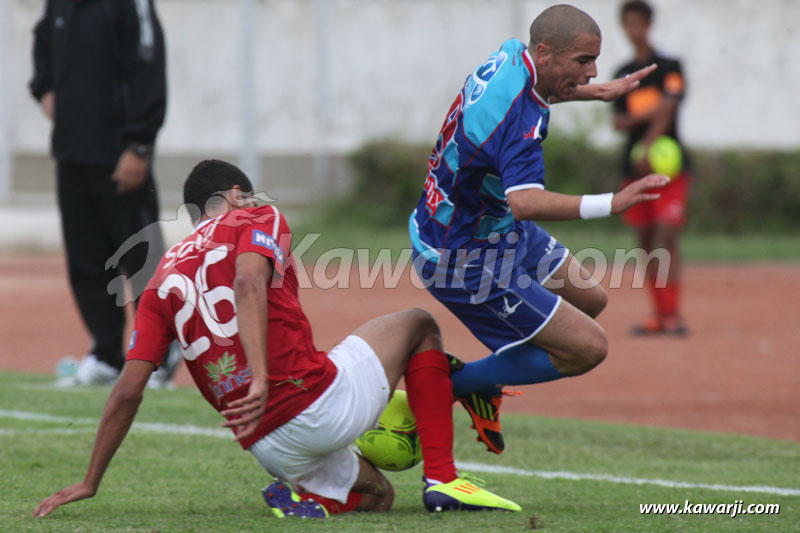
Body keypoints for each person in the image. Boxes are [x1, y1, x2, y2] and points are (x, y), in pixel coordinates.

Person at [32, 160, 521, 520]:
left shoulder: (162, 274)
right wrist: (262, 376)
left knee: (379, 499)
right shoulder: (255, 215)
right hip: (313, 404)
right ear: (237, 193)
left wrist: (90, 481)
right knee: (418, 323)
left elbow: (129, 387)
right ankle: (442, 478)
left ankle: (314, 502)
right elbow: (246, 283)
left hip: (267, 445)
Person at [409, 4, 669, 454]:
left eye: (594, 61)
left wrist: (597, 92)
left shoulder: (512, 55)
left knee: (591, 299)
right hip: (463, 254)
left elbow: (531, 91)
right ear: (546, 52)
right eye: (583, 61)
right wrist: (612, 202)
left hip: (492, 225)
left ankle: (482, 378)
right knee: (587, 347)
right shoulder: (521, 121)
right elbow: (526, 202)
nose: (591, 71)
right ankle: (465, 383)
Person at [29, 0, 178, 386]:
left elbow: (149, 66)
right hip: (72, 152)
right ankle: (107, 354)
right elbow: (43, 43)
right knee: (88, 260)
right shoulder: (59, 4)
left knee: (141, 258)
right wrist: (44, 88)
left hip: (121, 154)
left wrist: (139, 145)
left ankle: (161, 352)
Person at [612, 0, 690, 336]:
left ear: (648, 24)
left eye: (638, 23)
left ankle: (673, 313)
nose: (633, 30)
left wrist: (644, 137)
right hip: (634, 171)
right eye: (627, 23)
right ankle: (659, 313)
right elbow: (618, 121)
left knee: (666, 232)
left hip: (670, 171)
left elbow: (668, 109)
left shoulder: (669, 65)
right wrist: (649, 114)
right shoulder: (622, 73)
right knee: (644, 241)